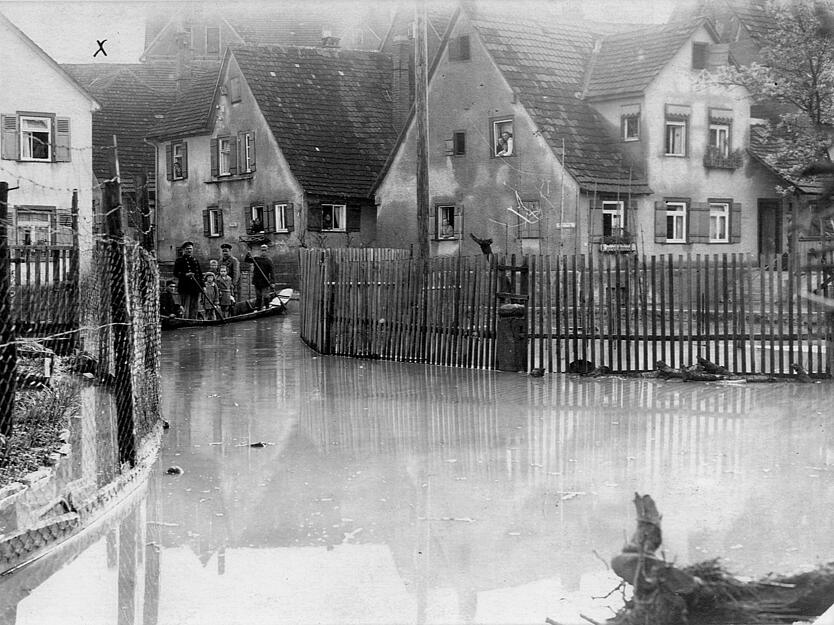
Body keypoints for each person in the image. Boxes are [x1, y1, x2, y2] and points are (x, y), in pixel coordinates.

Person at [172, 241, 203, 318]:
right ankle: (183, 318)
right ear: (183, 250)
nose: (189, 250)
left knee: (194, 305)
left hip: (195, 286)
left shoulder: (195, 260)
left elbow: (200, 274)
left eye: (190, 249)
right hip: (185, 286)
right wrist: (185, 274)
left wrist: (203, 286)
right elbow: (176, 273)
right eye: (187, 249)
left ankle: (193, 319)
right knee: (184, 304)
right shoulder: (179, 260)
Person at [244, 243, 274, 309]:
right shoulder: (256, 259)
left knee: (266, 296)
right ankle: (258, 308)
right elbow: (247, 260)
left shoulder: (269, 261)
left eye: (265, 250)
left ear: (267, 251)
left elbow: (272, 272)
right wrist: (248, 254)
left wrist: (272, 282)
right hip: (257, 281)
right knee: (258, 296)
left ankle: (267, 308)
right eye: (262, 250)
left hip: (265, 281)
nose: (263, 252)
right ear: (261, 251)